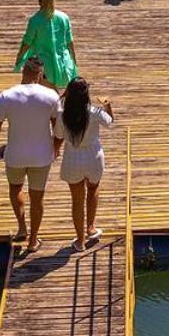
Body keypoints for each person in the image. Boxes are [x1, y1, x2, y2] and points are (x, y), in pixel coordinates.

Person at [0, 55, 63, 255]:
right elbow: (58, 127)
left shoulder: (6, 96)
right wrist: (56, 146)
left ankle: (22, 227)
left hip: (15, 155)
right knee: (37, 199)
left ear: (23, 72)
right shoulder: (51, 96)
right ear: (40, 74)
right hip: (42, 156)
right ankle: (33, 240)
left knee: (15, 189)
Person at [59, 77, 116, 251]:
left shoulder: (62, 114)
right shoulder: (94, 112)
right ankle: (91, 227)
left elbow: (58, 136)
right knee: (92, 189)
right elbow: (110, 122)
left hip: (72, 158)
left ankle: (80, 240)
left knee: (77, 201)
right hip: (94, 157)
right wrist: (107, 105)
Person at [15, 0, 78, 89]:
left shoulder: (35, 19)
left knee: (47, 90)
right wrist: (74, 61)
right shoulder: (64, 17)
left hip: (43, 65)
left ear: (39, 2)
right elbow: (70, 42)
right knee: (55, 91)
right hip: (62, 62)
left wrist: (19, 57)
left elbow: (27, 42)